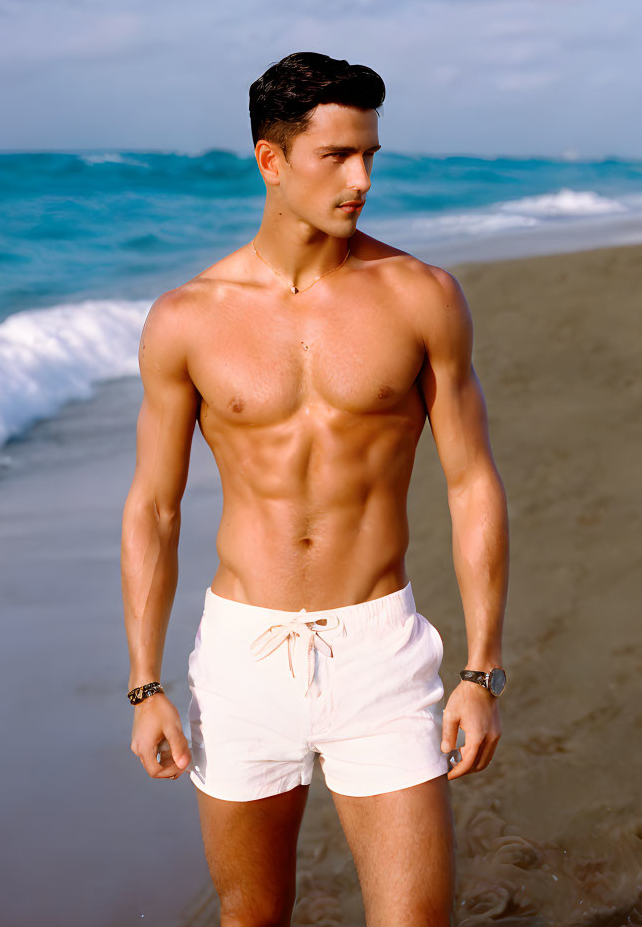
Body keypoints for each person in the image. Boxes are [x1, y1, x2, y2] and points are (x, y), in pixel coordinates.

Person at [121, 52, 510, 927]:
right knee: (252, 917)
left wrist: (480, 669)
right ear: (270, 159)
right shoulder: (187, 318)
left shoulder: (420, 297)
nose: (362, 178)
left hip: (379, 649)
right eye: (336, 156)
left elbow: (471, 482)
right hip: (241, 658)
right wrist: (145, 685)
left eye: (370, 153)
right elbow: (153, 507)